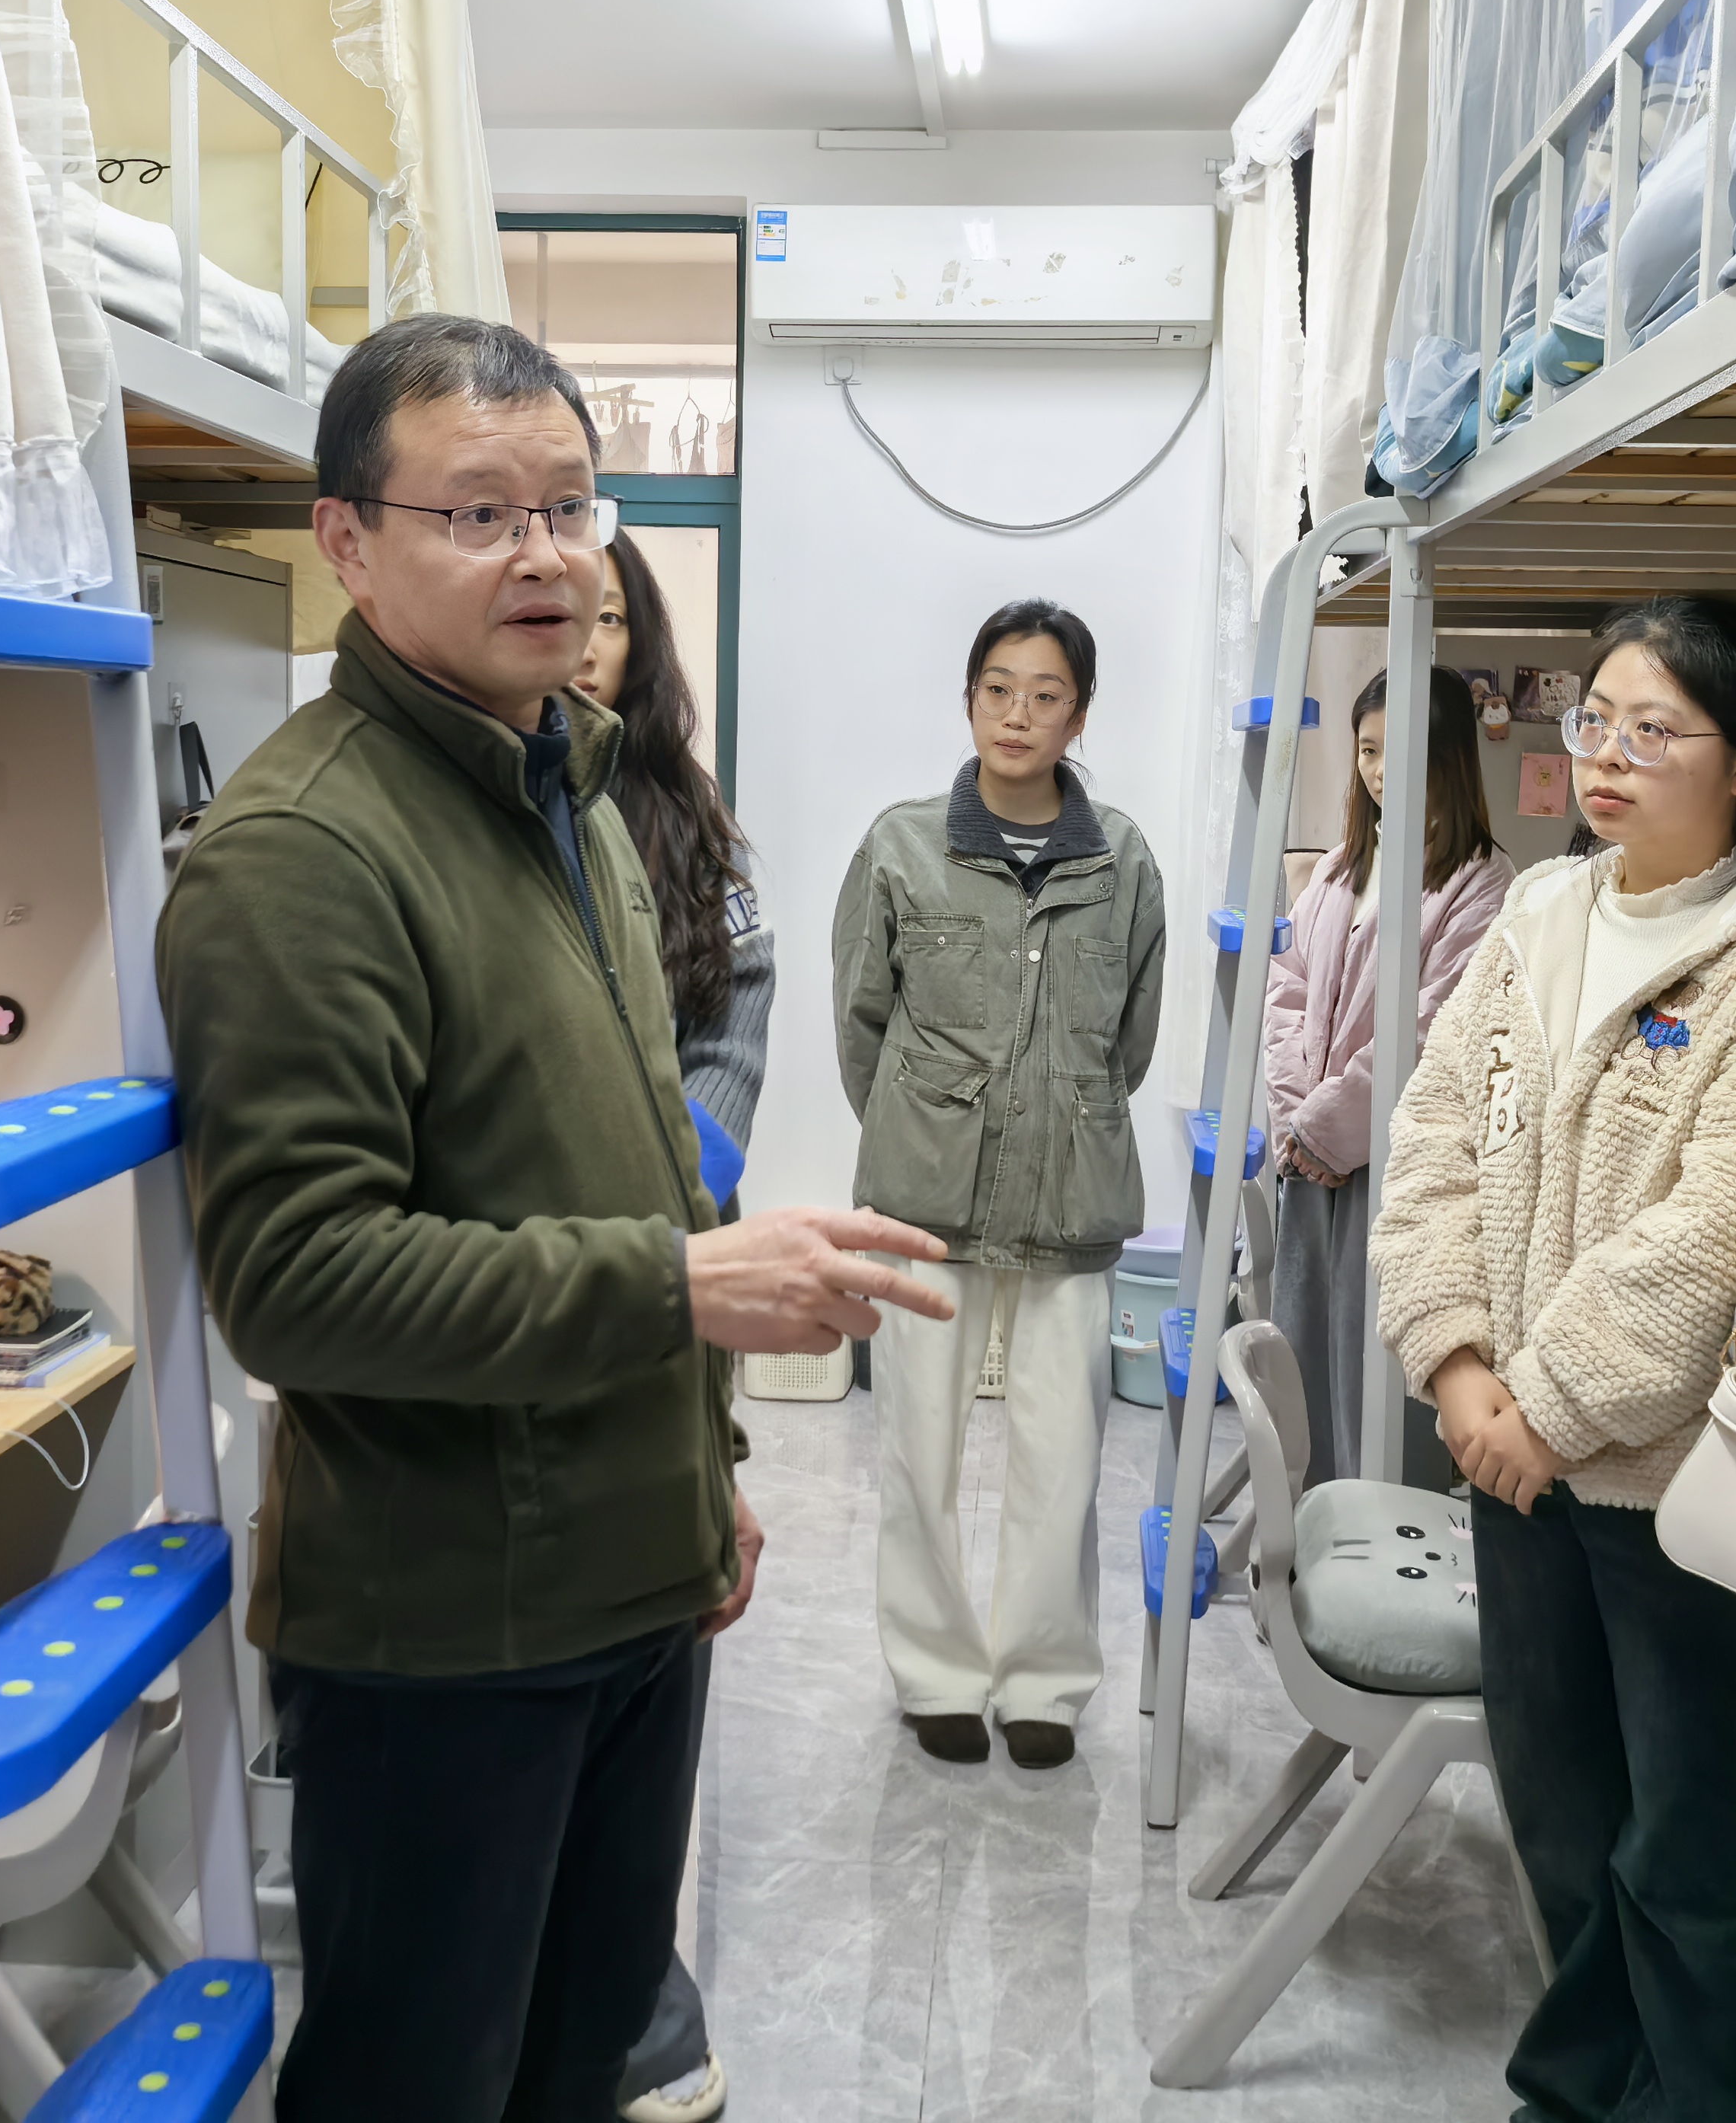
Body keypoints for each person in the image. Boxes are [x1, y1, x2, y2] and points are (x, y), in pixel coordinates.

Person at [157, 314, 953, 2121]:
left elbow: (631, 1158)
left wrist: (702, 1471)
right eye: (477, 512)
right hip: (449, 1633)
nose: (542, 554)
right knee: (424, 2086)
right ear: (348, 542)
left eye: (570, 507)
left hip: (627, 1585)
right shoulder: (305, 851)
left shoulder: (569, 793)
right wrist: (685, 1283)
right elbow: (295, 1280)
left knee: (582, 2065)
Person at [1373, 596, 1736, 2123]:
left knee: (1691, 1849)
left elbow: (1718, 1227)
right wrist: (1458, 1371)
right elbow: (1432, 1142)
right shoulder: (1541, 914)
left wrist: (1547, 1406)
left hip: (1677, 1485)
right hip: (1511, 1468)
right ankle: (1580, 2094)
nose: (1609, 756)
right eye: (1595, 721)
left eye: (1656, 730)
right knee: (1563, 1821)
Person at [831, 600, 1168, 1770]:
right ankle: (935, 1673)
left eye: (1045, 694)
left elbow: (1130, 1039)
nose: (1018, 714)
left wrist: (1058, 1112)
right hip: (923, 1203)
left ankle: (1041, 1684)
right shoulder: (902, 845)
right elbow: (862, 1029)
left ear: (1081, 714)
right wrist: (926, 1128)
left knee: (1062, 1457)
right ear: (969, 699)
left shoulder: (1122, 860)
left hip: (1071, 1200)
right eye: (998, 689)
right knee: (915, 1449)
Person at [570, 535, 769, 2123]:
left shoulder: (691, 826)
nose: (580, 635)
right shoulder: (454, 813)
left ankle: (637, 2002)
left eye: (608, 614)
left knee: (653, 1641)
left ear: (643, 642)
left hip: (674, 1256)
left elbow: (733, 1041)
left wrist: (662, 1191)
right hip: (522, 1273)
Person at [1261, 662, 1510, 1486]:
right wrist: (1298, 1118)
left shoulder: (1481, 884)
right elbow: (1284, 993)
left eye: (1399, 751)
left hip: (1392, 1166)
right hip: (1309, 1160)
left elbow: (1431, 1034)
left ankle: (1377, 1545)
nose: (1379, 770)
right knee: (1303, 1361)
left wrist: (1329, 1129)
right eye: (1368, 750)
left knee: (1376, 1374)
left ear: (1449, 756)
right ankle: (1308, 1533)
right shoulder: (1338, 870)